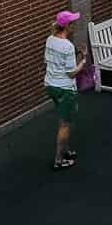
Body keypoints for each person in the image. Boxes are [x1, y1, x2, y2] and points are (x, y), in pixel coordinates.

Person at [44, 12, 87, 170]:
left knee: (63, 119)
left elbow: (49, 61)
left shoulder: (50, 40)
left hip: (51, 86)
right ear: (67, 26)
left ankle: (66, 150)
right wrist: (83, 61)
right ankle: (59, 160)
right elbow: (71, 73)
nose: (75, 25)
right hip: (65, 90)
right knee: (65, 125)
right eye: (73, 23)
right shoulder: (67, 46)